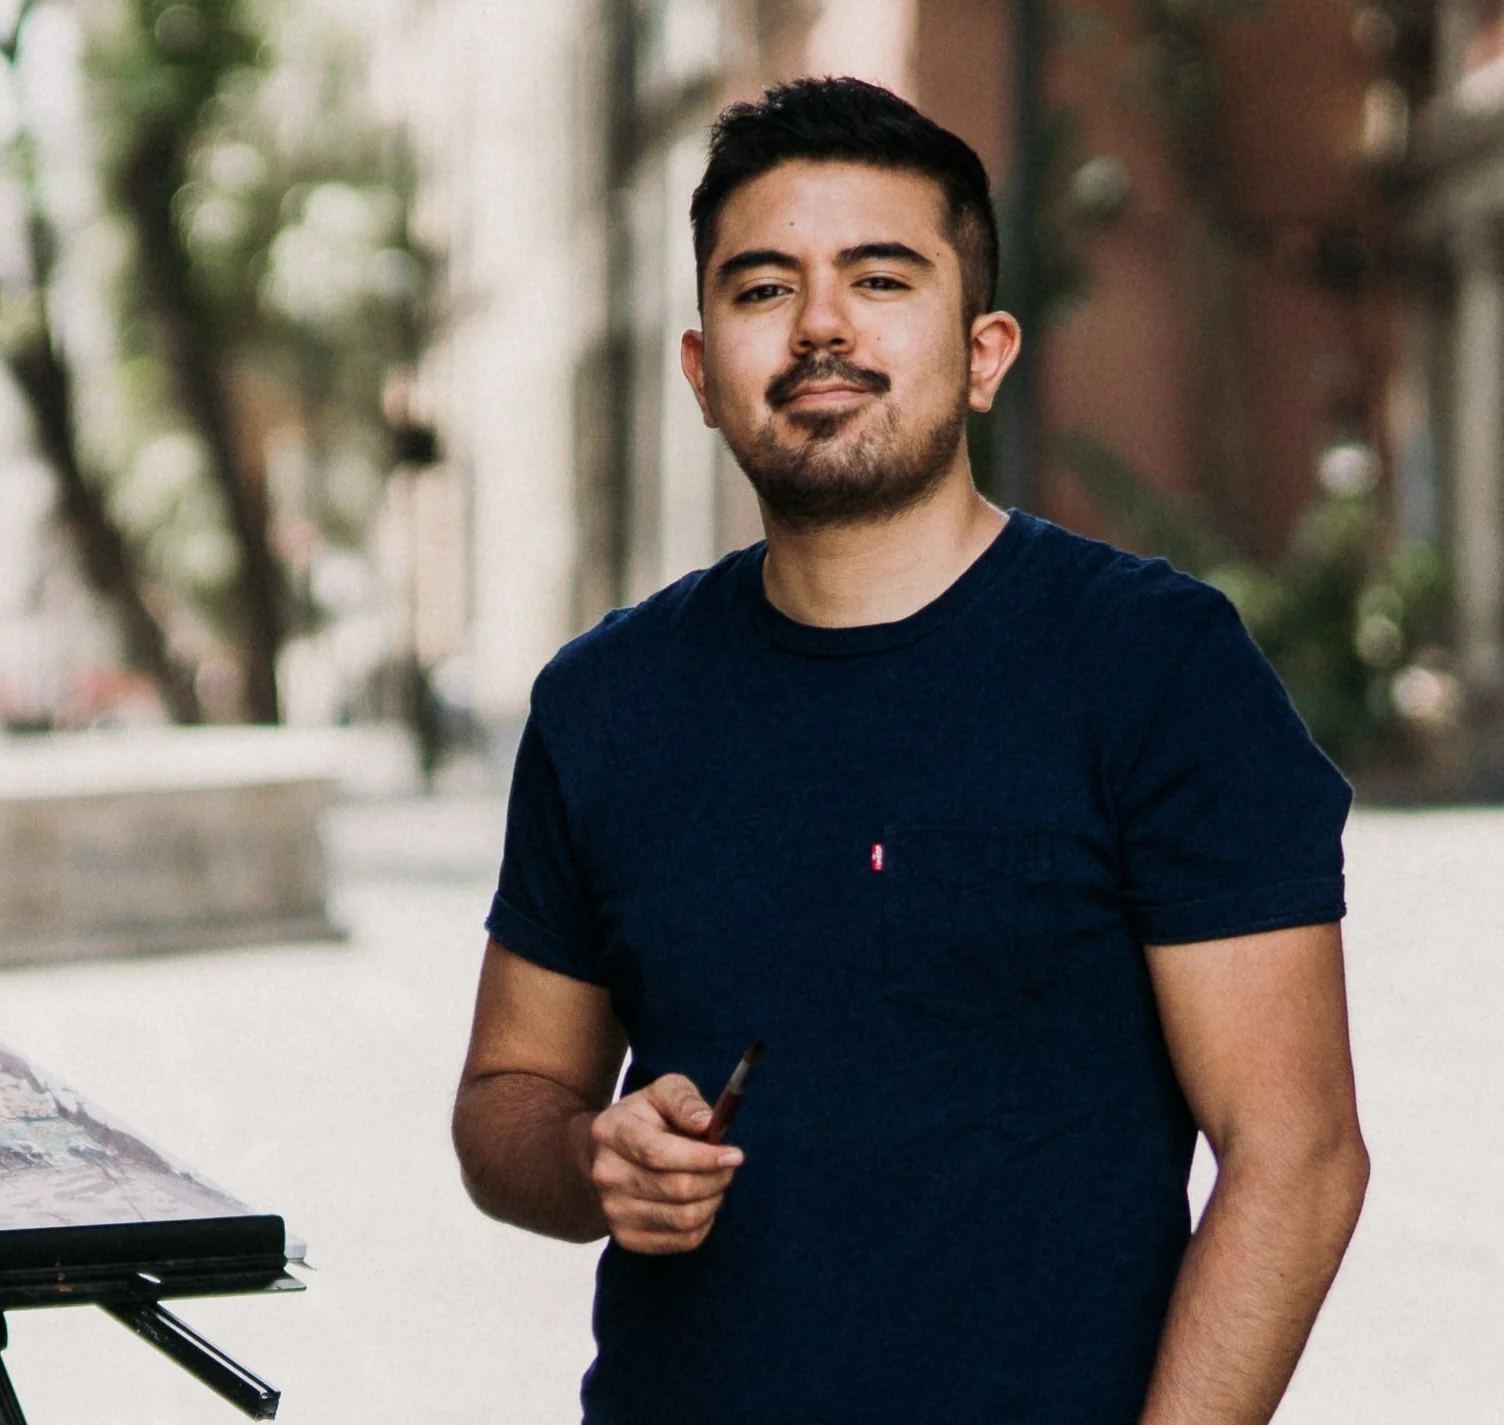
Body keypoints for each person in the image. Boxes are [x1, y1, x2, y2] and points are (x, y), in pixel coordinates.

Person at [452, 76, 1369, 1424]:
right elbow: (503, 1100)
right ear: (703, 372)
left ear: (986, 350)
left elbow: (1298, 1154)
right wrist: (593, 1158)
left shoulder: (1157, 668)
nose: (822, 325)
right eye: (763, 289)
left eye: (880, 279)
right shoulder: (606, 702)